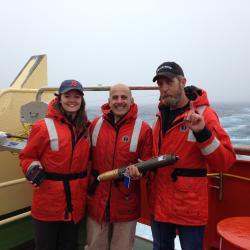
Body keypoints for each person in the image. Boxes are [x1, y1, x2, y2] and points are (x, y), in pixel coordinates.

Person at [149, 62, 236, 250]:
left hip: (189, 206)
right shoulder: (160, 115)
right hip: (160, 202)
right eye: (160, 84)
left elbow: (225, 162)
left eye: (169, 82)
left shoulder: (204, 114)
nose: (164, 88)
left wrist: (202, 132)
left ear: (182, 82)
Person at [19, 80, 90, 250]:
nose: (72, 100)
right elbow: (27, 156)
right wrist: (32, 167)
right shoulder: (42, 127)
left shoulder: (86, 128)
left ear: (82, 100)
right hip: (47, 205)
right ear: (59, 98)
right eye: (67, 96)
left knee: (69, 246)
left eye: (76, 96)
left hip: (75, 204)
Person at [86, 83, 152, 250]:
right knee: (95, 247)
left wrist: (139, 173)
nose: (119, 101)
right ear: (109, 100)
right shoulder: (95, 125)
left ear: (131, 100)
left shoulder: (143, 129)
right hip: (97, 202)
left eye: (124, 97)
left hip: (126, 202)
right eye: (115, 97)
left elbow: (149, 165)